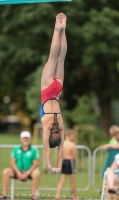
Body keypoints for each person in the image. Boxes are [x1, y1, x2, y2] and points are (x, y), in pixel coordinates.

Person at [40, 13, 67, 174]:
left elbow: (61, 150)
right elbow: (47, 150)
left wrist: (60, 166)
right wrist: (50, 166)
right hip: (47, 90)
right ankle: (57, 28)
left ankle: (63, 29)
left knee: (61, 58)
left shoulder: (61, 127)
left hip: (57, 90)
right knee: (52, 57)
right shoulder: (47, 127)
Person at [0, 131, 40, 200]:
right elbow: (12, 162)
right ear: (21, 139)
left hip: (29, 171)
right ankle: (4, 194)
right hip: (17, 171)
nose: (25, 140)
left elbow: (35, 163)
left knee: (37, 173)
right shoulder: (16, 149)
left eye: (27, 138)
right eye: (24, 138)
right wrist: (18, 172)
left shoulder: (34, 149)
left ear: (29, 139)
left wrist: (27, 173)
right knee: (6, 171)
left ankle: (34, 195)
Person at [55, 129, 78, 200]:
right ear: (70, 135)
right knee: (72, 181)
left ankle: (57, 195)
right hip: (70, 161)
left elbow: (59, 155)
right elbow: (74, 156)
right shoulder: (72, 144)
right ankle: (74, 196)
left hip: (63, 161)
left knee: (62, 180)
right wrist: (74, 163)